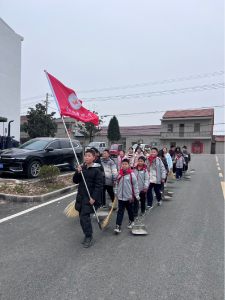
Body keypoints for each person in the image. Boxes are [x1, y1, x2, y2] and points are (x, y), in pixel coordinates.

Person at [73, 149, 103, 248]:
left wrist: (94, 198)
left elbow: (99, 186)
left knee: (84, 217)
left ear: (94, 158)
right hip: (81, 197)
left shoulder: (97, 170)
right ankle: (87, 234)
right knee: (82, 218)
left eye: (89, 156)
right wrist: (77, 172)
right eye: (85, 155)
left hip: (89, 198)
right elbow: (75, 181)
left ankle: (88, 236)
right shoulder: (82, 168)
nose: (86, 157)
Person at [114, 158, 140, 233]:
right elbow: (117, 184)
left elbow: (135, 185)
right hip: (121, 197)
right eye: (123, 164)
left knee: (130, 211)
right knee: (120, 211)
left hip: (129, 197)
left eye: (126, 164)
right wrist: (116, 192)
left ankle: (131, 221)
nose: (124, 166)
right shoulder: (119, 173)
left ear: (129, 165)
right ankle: (118, 226)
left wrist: (137, 195)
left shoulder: (131, 174)